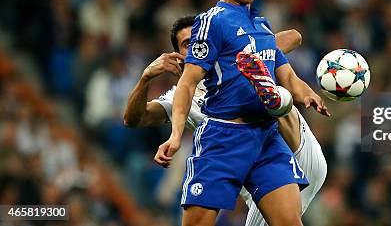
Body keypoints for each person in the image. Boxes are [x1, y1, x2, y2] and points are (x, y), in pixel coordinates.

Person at [153, 0, 329, 226]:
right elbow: (187, 83)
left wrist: (308, 94)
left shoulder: (261, 25)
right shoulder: (212, 22)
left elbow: (286, 74)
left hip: (266, 138)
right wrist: (175, 135)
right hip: (224, 140)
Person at [123, 15, 328, 225]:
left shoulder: (237, 56)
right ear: (178, 57)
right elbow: (134, 119)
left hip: (298, 152)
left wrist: (253, 47)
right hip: (268, 173)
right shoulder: (181, 97)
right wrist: (146, 77)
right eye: (188, 44)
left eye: (200, 40)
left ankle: (276, 98)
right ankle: (275, 98)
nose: (197, 46)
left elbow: (294, 37)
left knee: (271, 97)